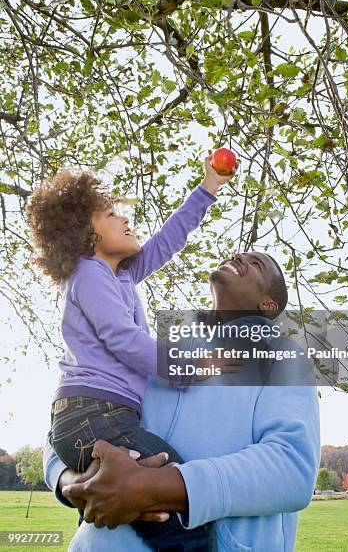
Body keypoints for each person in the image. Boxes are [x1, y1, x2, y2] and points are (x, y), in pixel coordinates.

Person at [26, 155, 237, 551]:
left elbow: (166, 243)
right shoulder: (89, 273)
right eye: (109, 214)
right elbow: (123, 339)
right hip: (92, 415)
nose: (125, 219)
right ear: (86, 234)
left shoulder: (117, 275)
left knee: (149, 501)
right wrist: (184, 366)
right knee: (176, 488)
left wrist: (208, 189)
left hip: (97, 416)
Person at [44, 251, 321, 551]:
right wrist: (72, 480)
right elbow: (70, 420)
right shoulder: (154, 351)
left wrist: (157, 488)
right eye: (241, 255)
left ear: (268, 305)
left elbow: (292, 469)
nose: (240, 257)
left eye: (256, 265)